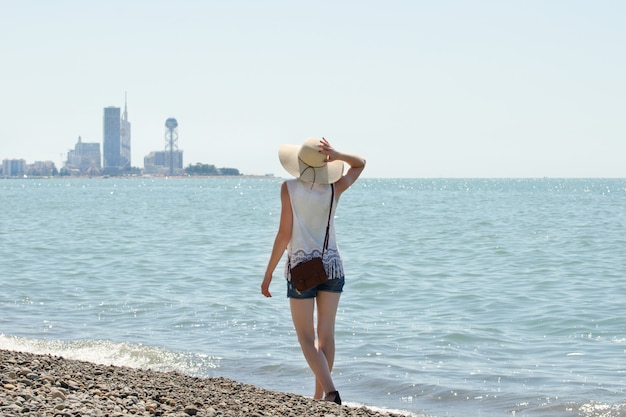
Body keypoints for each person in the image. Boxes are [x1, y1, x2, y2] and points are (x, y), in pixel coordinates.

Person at [261, 137, 366, 405]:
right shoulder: (334, 188)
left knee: (307, 338)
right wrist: (338, 154)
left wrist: (269, 271)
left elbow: (284, 234)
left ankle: (330, 393)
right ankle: (319, 396)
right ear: (324, 164)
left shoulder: (289, 188)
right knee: (326, 334)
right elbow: (360, 164)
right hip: (332, 266)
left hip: (300, 269)